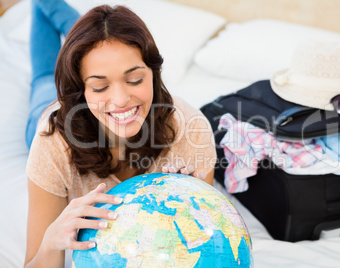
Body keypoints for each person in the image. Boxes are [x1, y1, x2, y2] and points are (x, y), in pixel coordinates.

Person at [24, 0, 216, 267]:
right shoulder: (52, 141)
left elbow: (207, 245)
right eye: (100, 86)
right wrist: (51, 242)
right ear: (81, 92)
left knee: (100, 47)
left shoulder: (190, 131)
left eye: (135, 79)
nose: (121, 99)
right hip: (51, 114)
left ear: (153, 74)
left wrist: (190, 204)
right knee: (44, 79)